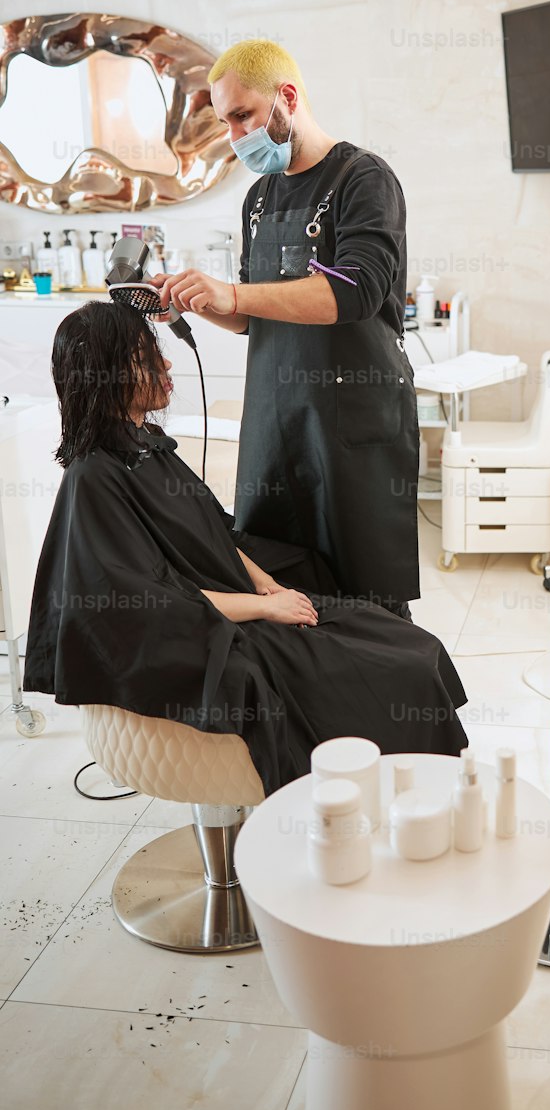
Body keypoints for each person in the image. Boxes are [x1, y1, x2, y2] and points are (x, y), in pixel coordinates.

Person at [23, 302, 467, 796]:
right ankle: (386, 803)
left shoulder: (145, 444)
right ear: (107, 373)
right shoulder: (94, 478)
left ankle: (412, 797)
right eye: (147, 356)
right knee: (401, 667)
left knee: (409, 643)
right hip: (199, 636)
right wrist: (264, 608)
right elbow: (149, 600)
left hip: (232, 602)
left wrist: (263, 580)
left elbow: (215, 530)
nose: (167, 365)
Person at [150, 39, 419, 619]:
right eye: (225, 122)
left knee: (367, 600)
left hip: (352, 428)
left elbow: (356, 290)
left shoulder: (363, 179)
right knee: (280, 586)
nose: (235, 136)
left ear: (287, 98)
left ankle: (384, 701)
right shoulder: (258, 198)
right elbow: (252, 315)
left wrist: (234, 291)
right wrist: (196, 301)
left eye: (243, 115)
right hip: (277, 424)